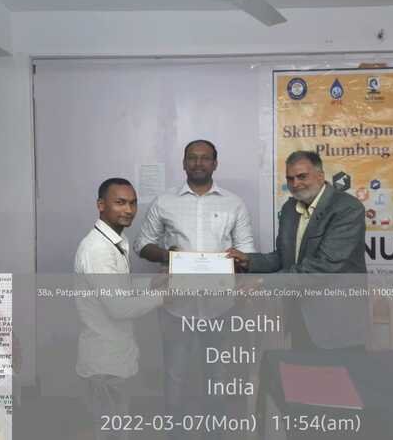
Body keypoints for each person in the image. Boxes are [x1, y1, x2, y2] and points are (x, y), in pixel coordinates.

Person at [133, 140, 255, 439]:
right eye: (192, 158)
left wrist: (238, 263)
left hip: (221, 306)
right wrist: (167, 255)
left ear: (215, 163)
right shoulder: (164, 202)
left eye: (205, 158)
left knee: (218, 377)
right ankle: (176, 434)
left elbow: (247, 251)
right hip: (177, 307)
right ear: (184, 163)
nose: (198, 163)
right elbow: (142, 244)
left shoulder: (234, 203)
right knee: (176, 377)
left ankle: (214, 434)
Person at [227, 150, 367, 349]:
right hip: (300, 317)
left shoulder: (347, 208)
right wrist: (248, 261)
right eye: (290, 178)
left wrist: (262, 282)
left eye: (302, 176)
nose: (295, 184)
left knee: (340, 371)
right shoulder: (289, 209)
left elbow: (324, 267)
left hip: (338, 321)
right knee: (298, 369)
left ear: (320, 176)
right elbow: (283, 257)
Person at [74, 178, 166, 440]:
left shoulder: (114, 241)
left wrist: (152, 283)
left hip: (116, 359)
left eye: (133, 203)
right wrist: (165, 296)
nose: (129, 210)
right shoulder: (97, 250)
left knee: (117, 430)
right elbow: (119, 307)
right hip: (105, 364)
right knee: (112, 433)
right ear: (101, 205)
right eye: (120, 202)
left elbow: (118, 287)